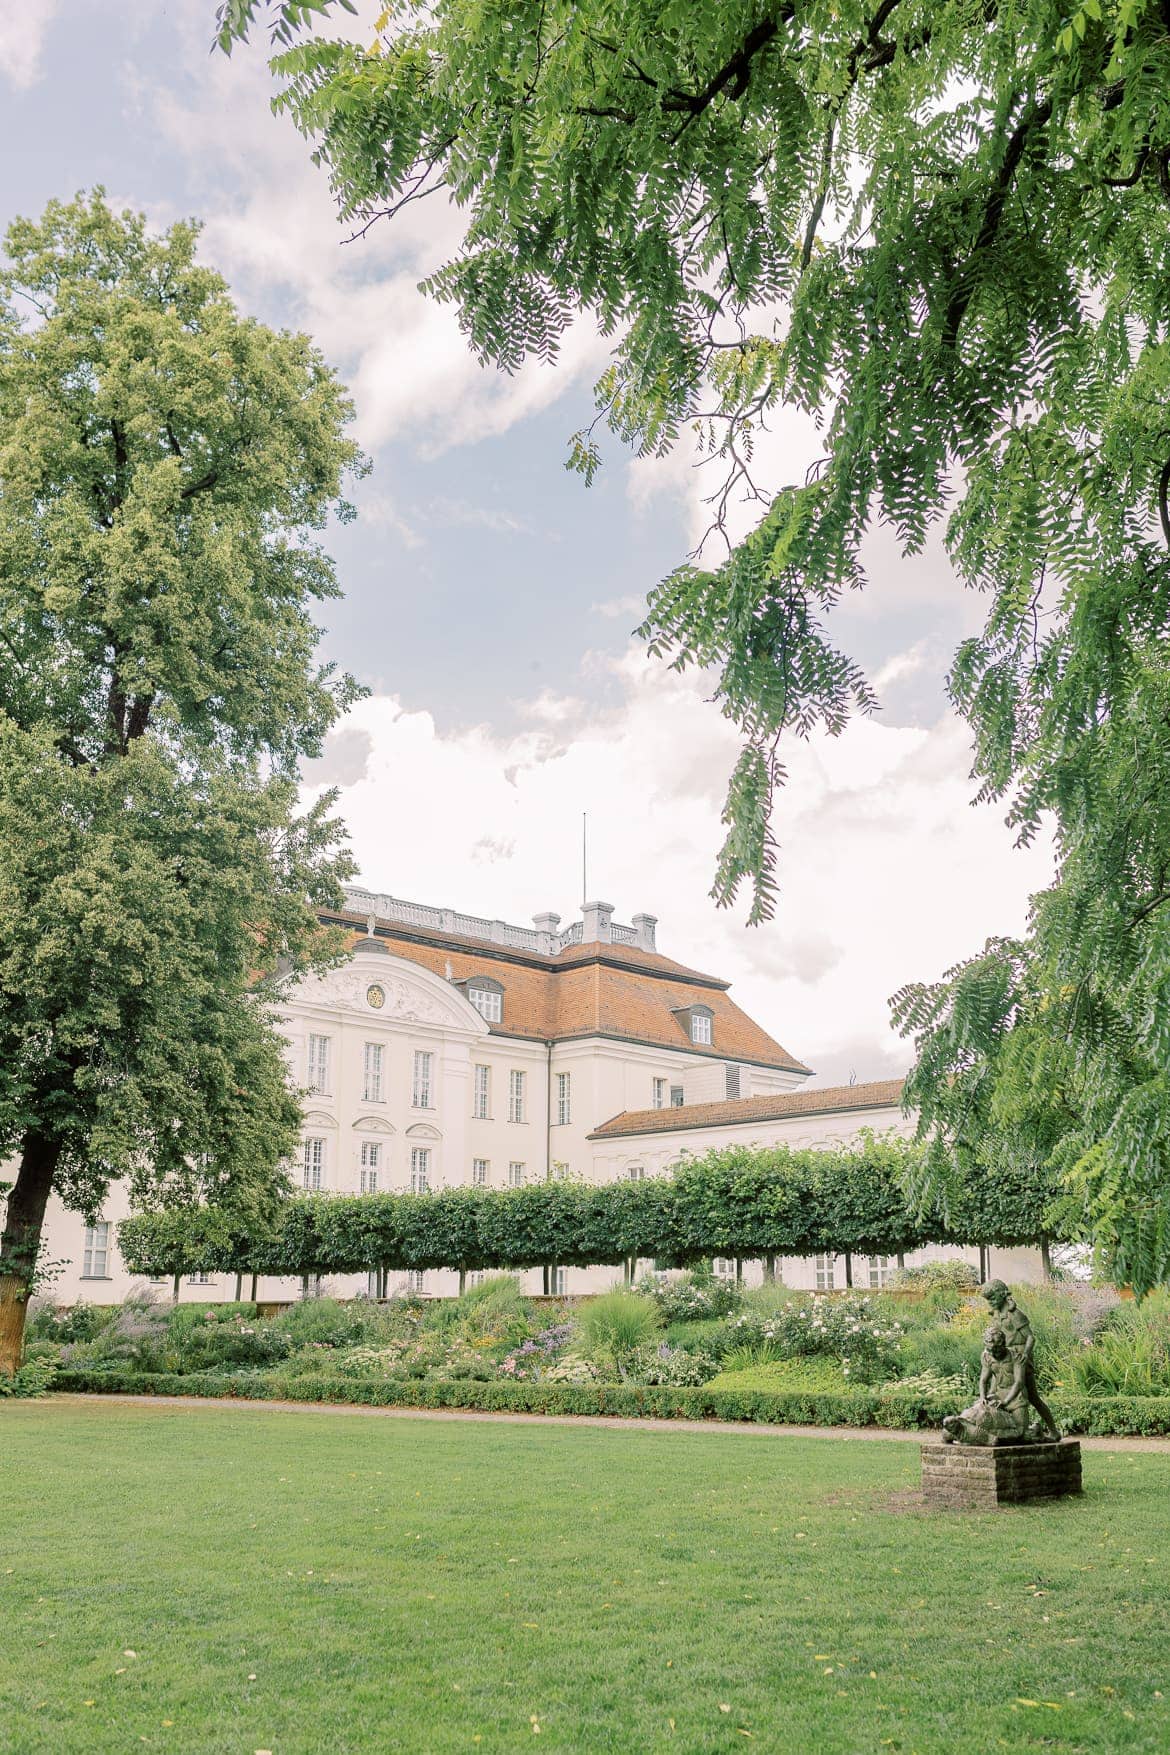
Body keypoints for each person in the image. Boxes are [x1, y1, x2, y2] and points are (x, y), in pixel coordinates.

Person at [978, 1279, 1061, 1439]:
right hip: (1001, 1357)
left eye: (992, 1298)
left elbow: (1030, 1337)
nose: (990, 1302)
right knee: (993, 1392)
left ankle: (1053, 1430)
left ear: (1002, 1294)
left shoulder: (1014, 1314)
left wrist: (1025, 1355)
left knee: (1033, 1397)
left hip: (1019, 1358)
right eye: (988, 1300)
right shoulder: (996, 1314)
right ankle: (1002, 1428)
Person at [942, 1324, 1041, 1446]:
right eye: (990, 1350)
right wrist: (983, 1397)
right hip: (997, 1395)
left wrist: (1006, 1402)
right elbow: (983, 1380)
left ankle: (1036, 1430)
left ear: (1003, 1345)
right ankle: (973, 1435)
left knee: (1021, 1435)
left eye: (996, 1350)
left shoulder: (1016, 1357)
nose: (993, 1353)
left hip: (1016, 1398)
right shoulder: (986, 1356)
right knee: (981, 1415)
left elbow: (1019, 1382)